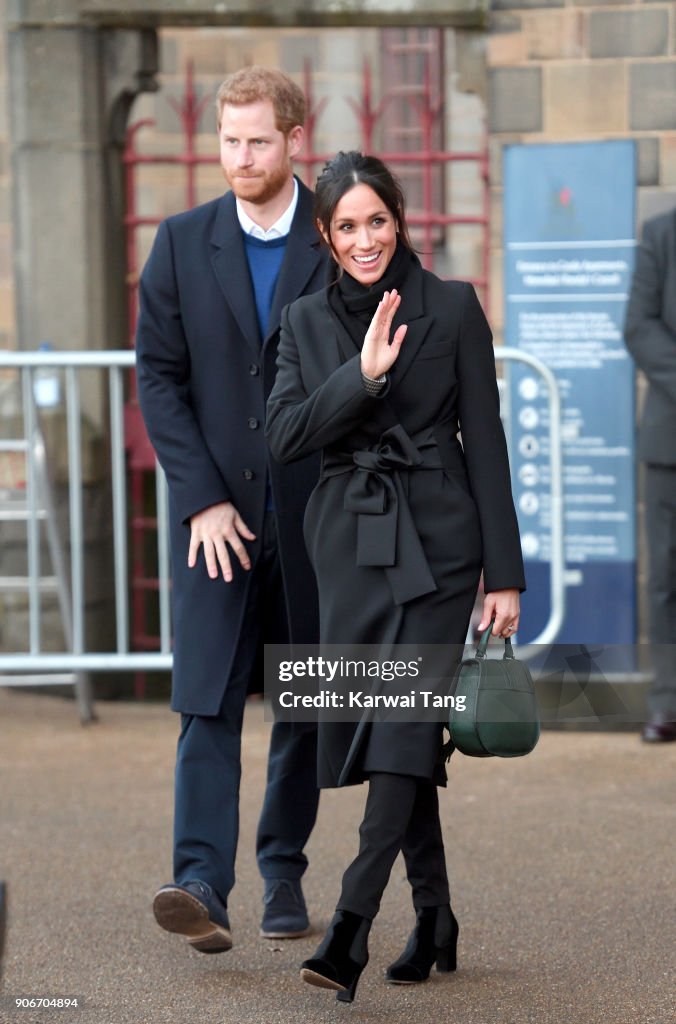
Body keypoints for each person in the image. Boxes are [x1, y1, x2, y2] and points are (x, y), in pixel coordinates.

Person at [266, 151, 525, 1002]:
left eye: (378, 220)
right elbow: (285, 437)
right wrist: (363, 376)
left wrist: (504, 573)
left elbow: (485, 443)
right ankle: (436, 914)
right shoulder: (302, 320)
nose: (365, 238)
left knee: (403, 723)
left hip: (441, 543)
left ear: (401, 220)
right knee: (393, 728)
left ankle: (348, 929)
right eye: (347, 226)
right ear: (326, 236)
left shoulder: (451, 306)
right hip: (348, 545)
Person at [135, 66, 327, 953]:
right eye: (228, 139)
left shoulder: (339, 235)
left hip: (312, 514)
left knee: (302, 699)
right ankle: (201, 883)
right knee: (204, 701)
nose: (240, 157)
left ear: (295, 140)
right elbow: (160, 383)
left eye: (257, 140)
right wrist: (202, 500)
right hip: (216, 520)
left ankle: (283, 872)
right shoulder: (178, 242)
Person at [624, 207, 676, 743]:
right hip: (671, 444)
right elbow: (638, 325)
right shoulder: (662, 233)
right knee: (666, 579)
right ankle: (669, 701)